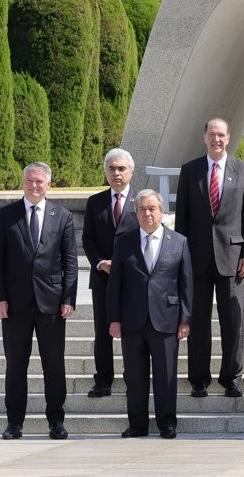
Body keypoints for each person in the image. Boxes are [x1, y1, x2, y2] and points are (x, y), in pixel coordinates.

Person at [0, 162, 78, 440]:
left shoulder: (62, 216)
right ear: (23, 182)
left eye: (40, 181)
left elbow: (70, 262)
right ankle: (14, 422)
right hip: (14, 305)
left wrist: (68, 298)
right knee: (16, 365)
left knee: (54, 364)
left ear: (48, 184)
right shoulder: (6, 216)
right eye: (30, 180)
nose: (34, 185)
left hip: (52, 305)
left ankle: (56, 421)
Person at [175, 117, 244, 399]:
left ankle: (231, 377)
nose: (217, 139)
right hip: (196, 258)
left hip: (233, 259)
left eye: (221, 135)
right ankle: (199, 379)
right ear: (204, 137)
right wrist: (181, 257)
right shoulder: (189, 171)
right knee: (197, 321)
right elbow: (182, 222)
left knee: (233, 322)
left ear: (229, 137)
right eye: (212, 134)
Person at [108, 190, 192, 439]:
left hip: (166, 318)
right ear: (136, 213)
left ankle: (167, 423)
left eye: (152, 208)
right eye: (142, 209)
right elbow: (115, 284)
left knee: (166, 376)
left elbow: (186, 284)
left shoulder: (179, 241)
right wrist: (114, 318)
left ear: (162, 211)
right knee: (134, 376)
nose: (147, 213)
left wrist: (185, 318)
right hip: (132, 320)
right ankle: (137, 424)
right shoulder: (124, 242)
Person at [82, 148, 140, 399]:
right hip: (103, 279)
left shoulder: (142, 202)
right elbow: (88, 239)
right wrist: (99, 262)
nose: (116, 173)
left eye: (121, 168)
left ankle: (133, 378)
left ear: (131, 172)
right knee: (102, 332)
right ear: (105, 172)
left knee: (131, 330)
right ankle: (103, 380)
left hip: (134, 280)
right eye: (111, 169)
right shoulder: (94, 202)